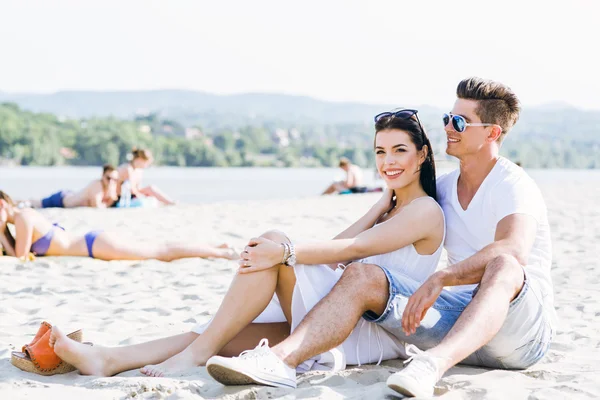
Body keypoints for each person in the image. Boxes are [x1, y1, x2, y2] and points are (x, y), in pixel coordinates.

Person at [198, 78, 555, 398]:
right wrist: (383, 203)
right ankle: (279, 362)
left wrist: (443, 277)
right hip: (457, 324)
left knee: (505, 266)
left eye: (460, 122)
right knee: (364, 274)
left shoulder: (512, 184)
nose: (448, 127)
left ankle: (430, 367)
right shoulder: (442, 190)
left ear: (492, 133)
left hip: (518, 333)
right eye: (448, 118)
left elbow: (513, 248)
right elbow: (364, 243)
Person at [44, 109, 444, 382]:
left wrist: (285, 253)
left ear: (422, 154)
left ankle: (193, 356)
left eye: (399, 151)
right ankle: (108, 359)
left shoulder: (425, 211)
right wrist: (378, 203)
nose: (387, 161)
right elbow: (342, 244)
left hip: (368, 332)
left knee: (274, 241)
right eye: (380, 151)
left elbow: (351, 250)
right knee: (221, 336)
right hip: (337, 313)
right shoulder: (390, 207)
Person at [0, 190, 237, 261]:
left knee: (161, 252)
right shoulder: (25, 216)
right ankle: (215, 247)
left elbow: (19, 256)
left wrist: (1, 231)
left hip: (95, 245)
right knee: (160, 249)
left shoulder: (22, 218)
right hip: (94, 242)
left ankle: (219, 251)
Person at [26, 164, 120, 209]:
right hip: (61, 200)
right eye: (108, 178)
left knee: (37, 203)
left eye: (114, 180)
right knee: (35, 204)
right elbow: (97, 207)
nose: (111, 181)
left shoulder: (108, 188)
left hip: (68, 196)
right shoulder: (97, 186)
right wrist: (110, 201)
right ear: (103, 176)